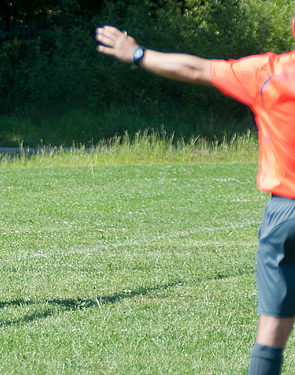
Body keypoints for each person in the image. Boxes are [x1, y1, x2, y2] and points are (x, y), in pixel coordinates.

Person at [95, 22, 295, 375]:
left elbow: (196, 68)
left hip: (283, 216)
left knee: (271, 326)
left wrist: (137, 54)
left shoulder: (268, 73)